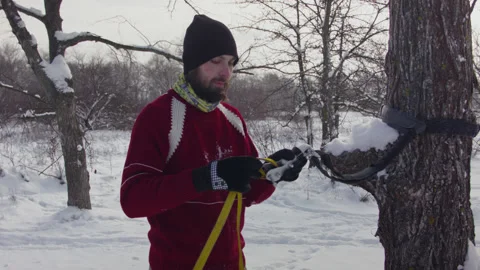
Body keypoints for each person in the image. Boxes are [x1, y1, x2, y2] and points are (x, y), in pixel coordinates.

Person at [120, 14, 306, 270]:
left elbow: (245, 192)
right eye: (215, 61)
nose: (225, 72)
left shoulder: (232, 118)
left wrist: (272, 173)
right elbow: (133, 200)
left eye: (231, 63)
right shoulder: (160, 116)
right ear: (192, 64)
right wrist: (205, 178)